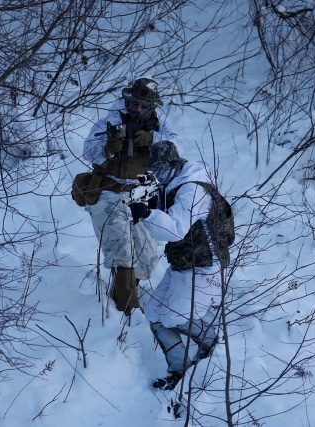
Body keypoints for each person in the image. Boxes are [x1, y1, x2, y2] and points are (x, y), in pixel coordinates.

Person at [82, 78, 182, 316]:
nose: (137, 109)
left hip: (141, 193)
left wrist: (152, 140)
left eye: (143, 106)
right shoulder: (111, 120)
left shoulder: (161, 124)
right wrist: (108, 147)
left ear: (153, 107)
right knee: (120, 251)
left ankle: (123, 291)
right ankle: (126, 309)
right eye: (133, 103)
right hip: (108, 189)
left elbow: (177, 149)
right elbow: (87, 150)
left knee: (147, 255)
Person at [128, 141, 223, 390]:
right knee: (156, 316)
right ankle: (180, 370)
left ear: (170, 166)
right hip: (184, 262)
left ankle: (211, 341)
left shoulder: (191, 189)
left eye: (158, 169)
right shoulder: (174, 183)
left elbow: (177, 230)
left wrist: (147, 214)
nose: (155, 175)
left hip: (203, 265)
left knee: (174, 317)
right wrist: (149, 205)